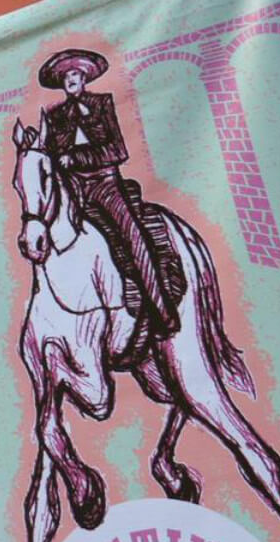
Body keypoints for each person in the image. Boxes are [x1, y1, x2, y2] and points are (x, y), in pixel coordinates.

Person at [38, 47, 179, 337]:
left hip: (105, 184)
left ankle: (162, 312)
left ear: (84, 77)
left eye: (75, 74)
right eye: (65, 77)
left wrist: (77, 158)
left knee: (132, 238)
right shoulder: (54, 115)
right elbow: (51, 156)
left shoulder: (102, 104)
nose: (70, 80)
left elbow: (117, 150)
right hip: (74, 189)